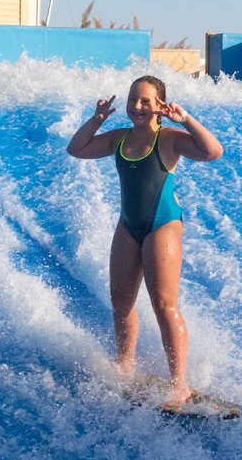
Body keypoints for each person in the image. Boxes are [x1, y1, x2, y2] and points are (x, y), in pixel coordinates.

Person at [66, 75, 223, 407]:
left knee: (164, 305)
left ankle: (179, 384)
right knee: (121, 302)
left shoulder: (168, 139)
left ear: (160, 106)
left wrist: (186, 120)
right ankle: (125, 363)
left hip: (162, 226)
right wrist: (96, 120)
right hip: (128, 225)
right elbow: (76, 149)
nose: (137, 107)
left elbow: (213, 151)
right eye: (132, 100)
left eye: (146, 101)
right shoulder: (119, 139)